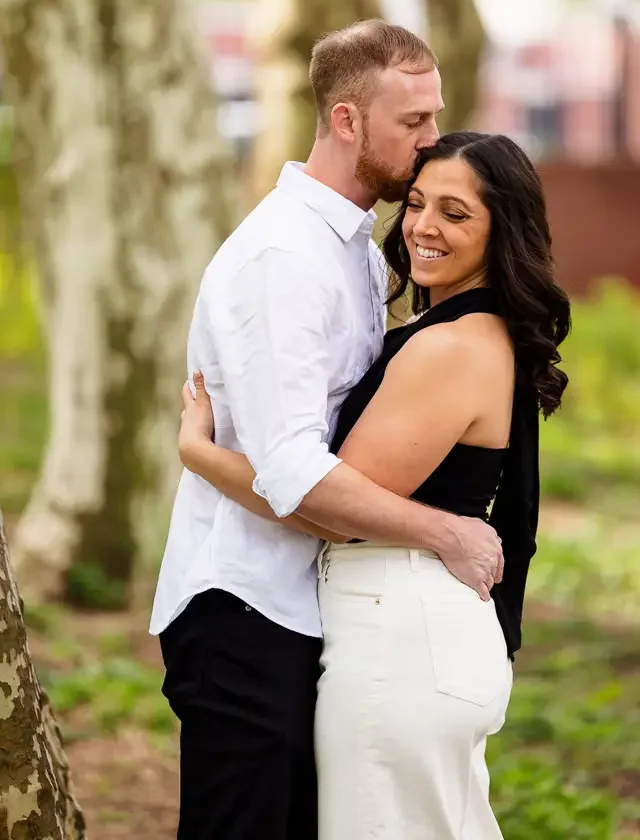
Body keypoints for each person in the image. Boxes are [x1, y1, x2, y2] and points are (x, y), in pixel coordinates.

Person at [150, 20, 504, 840]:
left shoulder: (355, 249)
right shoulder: (285, 258)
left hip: (305, 609)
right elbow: (293, 473)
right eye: (412, 121)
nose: (432, 138)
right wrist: (445, 532)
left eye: (434, 116)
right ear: (346, 120)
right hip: (245, 608)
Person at [178, 131, 571, 839]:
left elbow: (327, 506)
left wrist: (201, 455)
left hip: (401, 639)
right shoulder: (457, 330)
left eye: (456, 213)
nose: (423, 226)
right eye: (417, 204)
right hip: (415, 630)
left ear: (502, 231)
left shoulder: (449, 347)